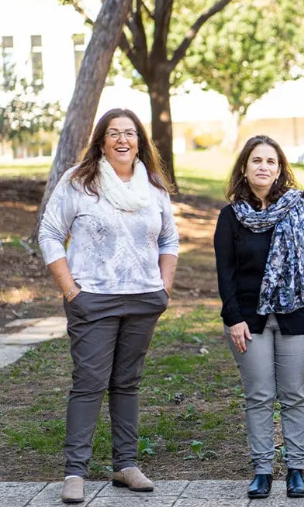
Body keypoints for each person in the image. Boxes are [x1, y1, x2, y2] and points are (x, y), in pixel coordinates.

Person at [38, 108, 178, 504]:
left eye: (130, 134)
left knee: (127, 383)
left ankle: (125, 464)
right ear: (101, 141)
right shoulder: (79, 181)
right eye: (114, 133)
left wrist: (163, 287)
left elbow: (169, 239)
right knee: (89, 383)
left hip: (143, 299)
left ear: (140, 142)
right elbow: (49, 233)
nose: (122, 140)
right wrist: (70, 289)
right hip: (92, 300)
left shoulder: (153, 186)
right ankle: (75, 472)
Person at [214, 135, 304, 499]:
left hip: (296, 315)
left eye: (271, 162)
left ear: (280, 170)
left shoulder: (300, 208)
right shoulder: (231, 216)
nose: (264, 167)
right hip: (249, 319)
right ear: (244, 169)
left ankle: (296, 469)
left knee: (294, 393)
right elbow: (225, 273)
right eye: (257, 161)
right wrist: (233, 318)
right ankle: (262, 470)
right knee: (259, 395)